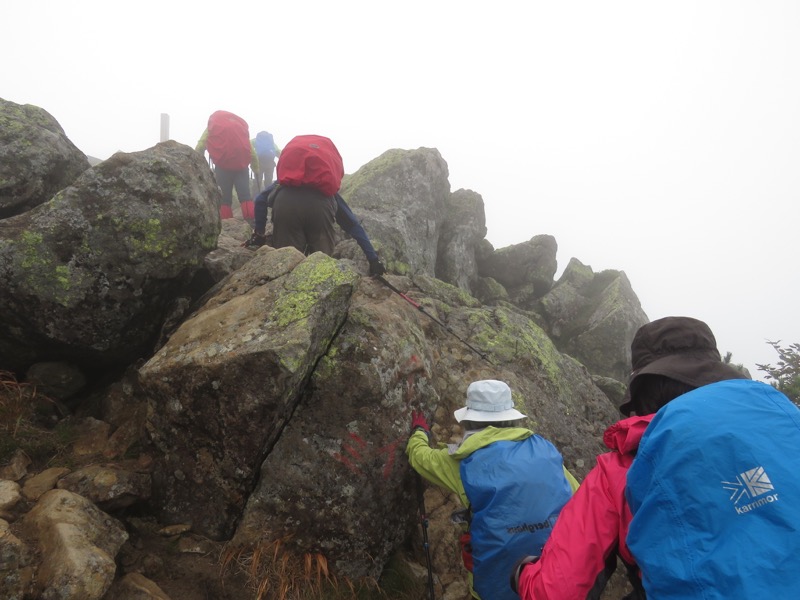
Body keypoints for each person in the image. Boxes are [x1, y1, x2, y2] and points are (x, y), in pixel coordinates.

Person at [510, 316, 762, 599]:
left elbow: (555, 591)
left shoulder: (622, 470)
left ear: (643, 390)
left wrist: (524, 574)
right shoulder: (781, 428)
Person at [407, 379, 580, 600]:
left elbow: (420, 457)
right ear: (510, 417)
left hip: (498, 582)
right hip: (555, 573)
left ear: (469, 420)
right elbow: (580, 497)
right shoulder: (544, 450)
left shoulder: (463, 462)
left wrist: (419, 431)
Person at [244, 183, 386, 277]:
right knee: (321, 266)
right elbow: (353, 225)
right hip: (321, 207)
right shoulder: (326, 186)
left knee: (286, 264)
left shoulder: (284, 181)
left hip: (285, 202)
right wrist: (373, 259)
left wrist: (259, 232)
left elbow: (260, 200)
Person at [195, 110, 260, 222]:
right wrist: (256, 169)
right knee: (245, 196)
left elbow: (201, 144)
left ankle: (226, 223)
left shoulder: (213, 126)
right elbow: (250, 150)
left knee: (225, 198)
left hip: (222, 166)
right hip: (241, 166)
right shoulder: (239, 129)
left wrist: (196, 161)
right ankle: (251, 221)